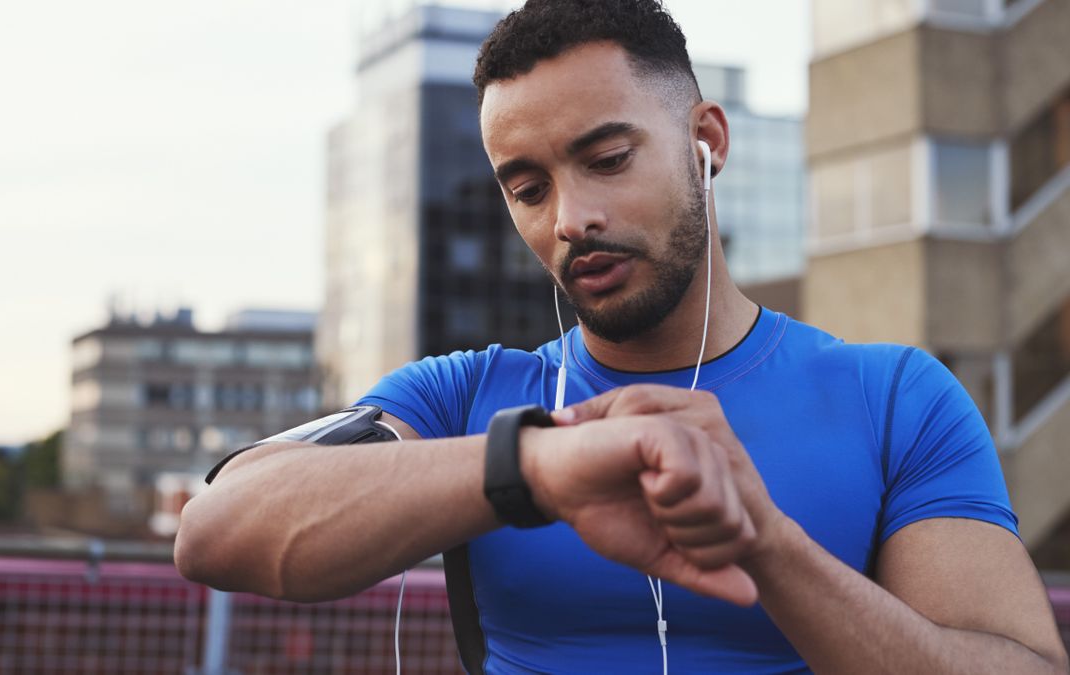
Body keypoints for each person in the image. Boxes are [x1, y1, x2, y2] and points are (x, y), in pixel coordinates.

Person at [175, 1, 1070, 672]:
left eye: (607, 159)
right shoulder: (470, 396)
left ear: (706, 143)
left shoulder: (892, 397)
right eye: (528, 188)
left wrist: (765, 540)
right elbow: (216, 530)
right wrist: (536, 464)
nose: (572, 218)